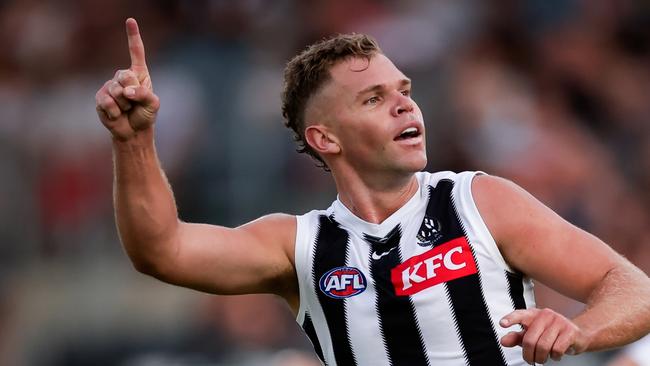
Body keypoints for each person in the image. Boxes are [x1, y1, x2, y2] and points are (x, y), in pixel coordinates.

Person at [95, 18, 650, 366]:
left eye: (404, 91)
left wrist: (578, 330)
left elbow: (633, 289)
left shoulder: (481, 202)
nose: (406, 105)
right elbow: (160, 251)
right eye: (374, 98)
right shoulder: (298, 247)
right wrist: (134, 138)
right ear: (325, 138)